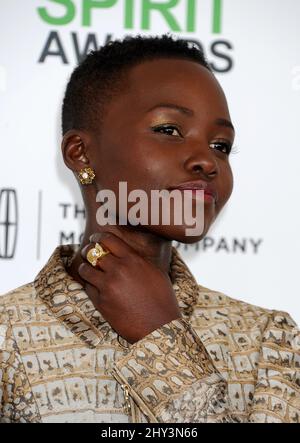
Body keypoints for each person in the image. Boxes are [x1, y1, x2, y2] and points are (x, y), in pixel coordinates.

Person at [0, 34, 299, 424]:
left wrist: (162, 336)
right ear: (80, 153)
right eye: (169, 130)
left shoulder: (266, 341)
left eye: (221, 145)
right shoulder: (6, 338)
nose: (207, 162)